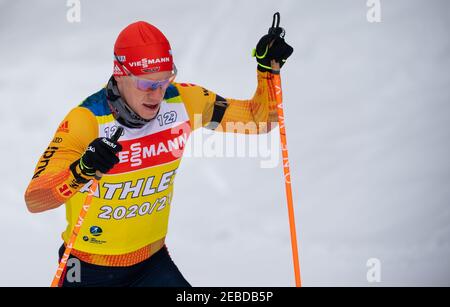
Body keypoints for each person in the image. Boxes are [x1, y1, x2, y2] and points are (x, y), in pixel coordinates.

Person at [24, 20, 293, 287]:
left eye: (164, 81)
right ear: (120, 74)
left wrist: (267, 71)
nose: (157, 94)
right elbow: (35, 200)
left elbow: (258, 121)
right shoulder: (87, 120)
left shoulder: (183, 102)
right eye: (146, 84)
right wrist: (81, 170)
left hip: (151, 266)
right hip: (86, 270)